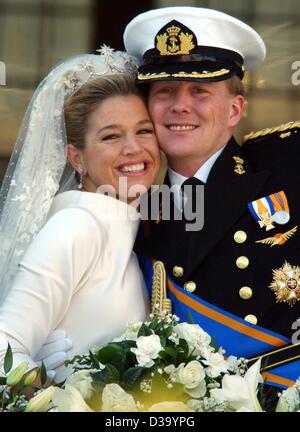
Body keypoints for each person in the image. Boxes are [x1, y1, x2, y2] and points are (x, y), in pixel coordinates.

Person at [124, 6, 300, 393]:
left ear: (234, 109)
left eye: (200, 91)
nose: (180, 106)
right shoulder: (129, 197)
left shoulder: (289, 167)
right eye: (164, 91)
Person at [0, 48, 160, 382]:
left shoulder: (128, 229)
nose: (133, 148)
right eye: (111, 136)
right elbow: (3, 353)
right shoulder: (76, 227)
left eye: (144, 131)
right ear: (77, 157)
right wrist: (58, 392)